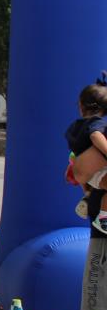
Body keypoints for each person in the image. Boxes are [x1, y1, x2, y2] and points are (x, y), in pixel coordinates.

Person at [64, 83, 107, 230]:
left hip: (85, 174)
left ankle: (87, 196)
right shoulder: (97, 123)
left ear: (81, 107)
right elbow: (95, 136)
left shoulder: (75, 126)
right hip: (99, 171)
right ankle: (103, 219)